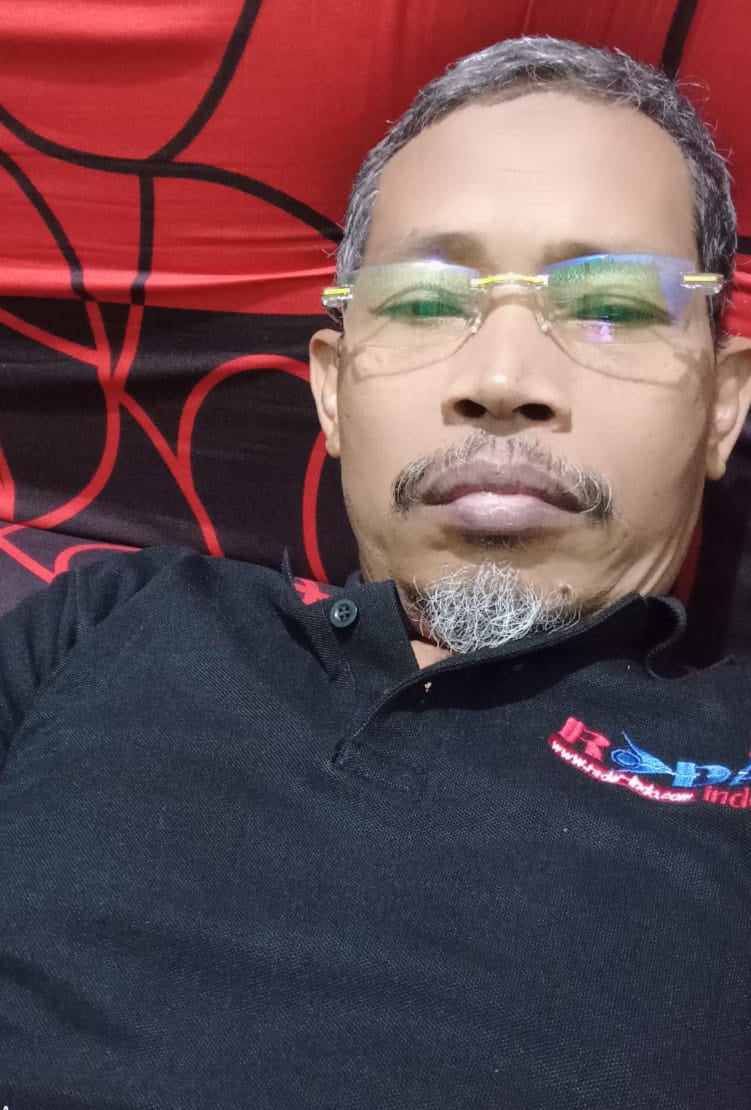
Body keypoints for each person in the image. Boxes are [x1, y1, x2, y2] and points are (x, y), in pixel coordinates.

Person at [1, 35, 750, 1110]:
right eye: (427, 302)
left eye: (612, 305)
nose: (503, 378)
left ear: (722, 405)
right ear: (332, 391)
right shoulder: (110, 624)